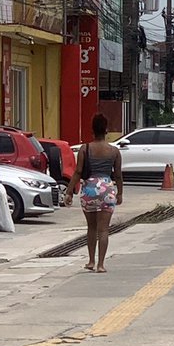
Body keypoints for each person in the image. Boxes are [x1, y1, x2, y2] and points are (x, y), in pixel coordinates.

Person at [64, 112, 123, 273]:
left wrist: (69, 192)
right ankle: (101, 264)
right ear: (106, 130)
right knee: (103, 230)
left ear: (92, 130)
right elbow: (117, 175)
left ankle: (90, 261)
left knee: (91, 228)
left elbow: (77, 172)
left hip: (89, 189)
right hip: (107, 190)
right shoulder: (114, 151)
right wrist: (120, 194)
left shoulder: (85, 148)